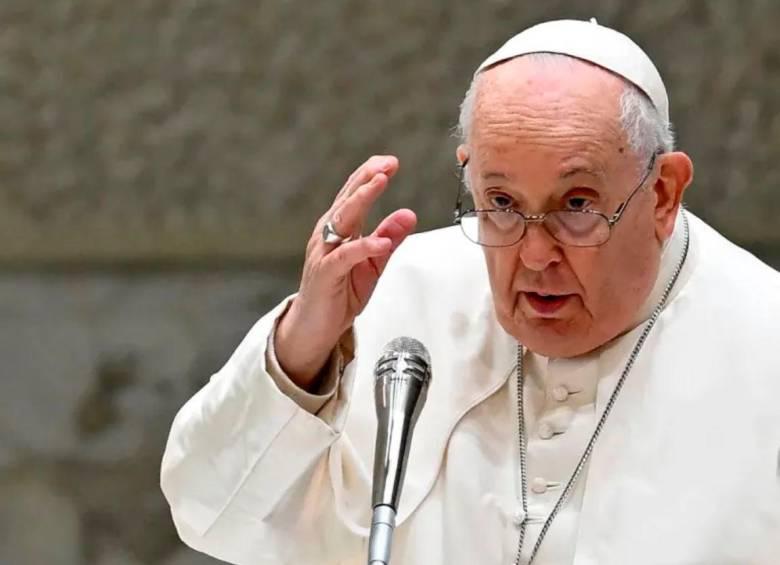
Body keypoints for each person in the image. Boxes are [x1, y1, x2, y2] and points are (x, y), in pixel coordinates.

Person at [160, 19, 780, 565]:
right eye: (502, 203)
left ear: (664, 194)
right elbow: (210, 515)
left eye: (577, 204)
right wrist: (302, 349)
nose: (535, 255)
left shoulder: (764, 342)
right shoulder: (393, 297)